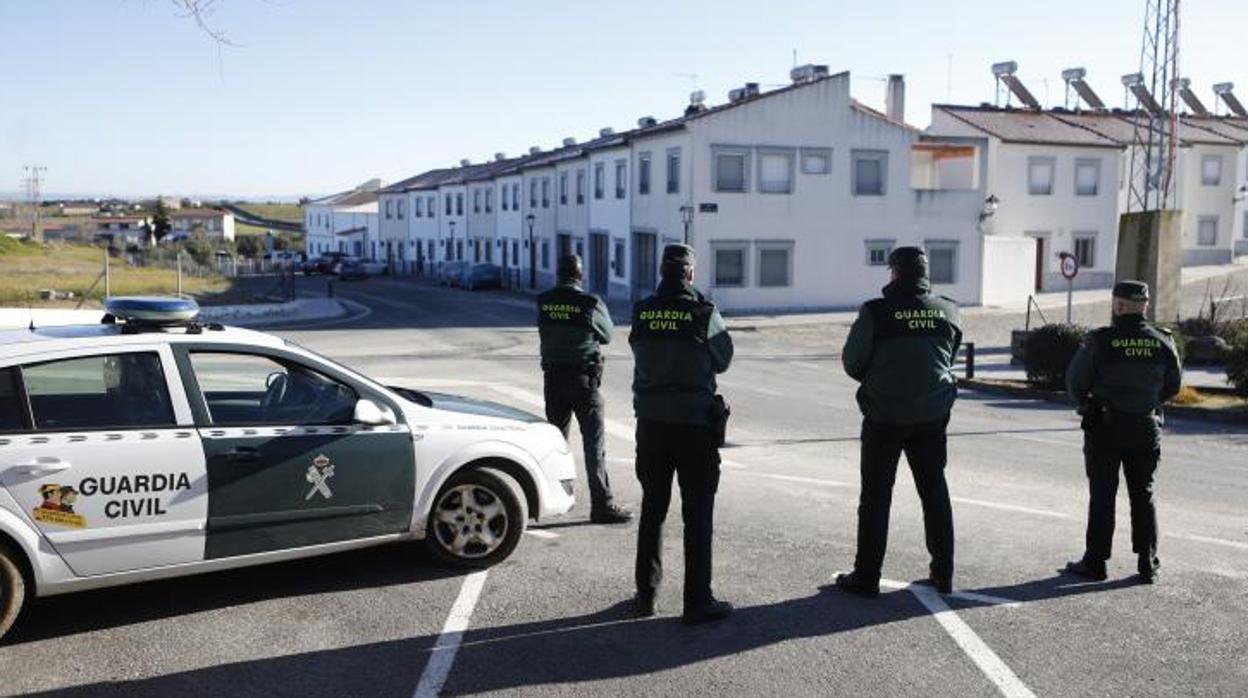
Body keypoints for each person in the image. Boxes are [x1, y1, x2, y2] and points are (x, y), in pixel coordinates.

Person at [836, 246, 962, 598]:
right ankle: (944, 573)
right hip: (932, 416)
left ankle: (867, 576)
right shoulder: (948, 310)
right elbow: (948, 357)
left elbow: (852, 363)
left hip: (885, 415)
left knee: (876, 497)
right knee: (934, 492)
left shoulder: (876, 312)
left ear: (894, 273)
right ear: (925, 275)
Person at [629, 244, 734, 625]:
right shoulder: (704, 313)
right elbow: (724, 358)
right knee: (697, 514)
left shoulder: (643, 311)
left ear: (662, 272)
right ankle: (697, 601)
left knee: (653, 510)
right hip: (694, 427)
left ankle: (646, 595)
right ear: (690, 274)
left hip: (651, 425)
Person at [1064, 280, 1181, 584]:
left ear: (1117, 305)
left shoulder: (1101, 340)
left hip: (1105, 427)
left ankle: (1096, 562)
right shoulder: (1163, 341)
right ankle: (1147, 562)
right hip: (1145, 425)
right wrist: (1147, 399)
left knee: (1103, 494)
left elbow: (1075, 383)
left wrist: (1085, 403)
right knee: (1143, 493)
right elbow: (1173, 386)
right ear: (1145, 306)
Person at [537, 254, 632, 524]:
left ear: (558, 273)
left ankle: (550, 499)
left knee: (556, 444)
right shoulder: (589, 303)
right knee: (594, 446)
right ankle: (602, 505)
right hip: (583, 382)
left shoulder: (544, 301)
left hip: (553, 380)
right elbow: (607, 335)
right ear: (581, 275)